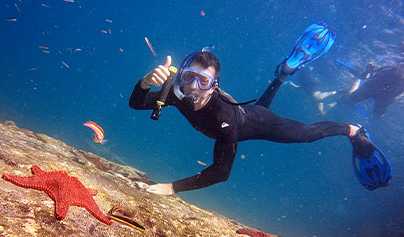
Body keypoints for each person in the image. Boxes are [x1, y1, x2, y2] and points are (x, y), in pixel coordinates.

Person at [129, 23, 392, 194]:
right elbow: (136, 103)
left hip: (254, 123)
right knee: (259, 109)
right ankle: (282, 74)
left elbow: (221, 173)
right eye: (188, 77)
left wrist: (169, 188)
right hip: (250, 115)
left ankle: (352, 129)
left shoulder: (223, 118)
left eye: (204, 81)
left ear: (214, 86)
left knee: (305, 133)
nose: (194, 88)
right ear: (179, 77)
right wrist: (144, 83)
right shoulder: (174, 94)